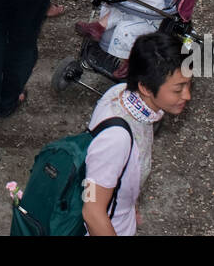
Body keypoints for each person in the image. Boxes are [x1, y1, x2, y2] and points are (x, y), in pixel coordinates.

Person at [82, 32, 192, 236]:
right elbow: (92, 211)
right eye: (178, 89)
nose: (187, 95)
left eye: (188, 84)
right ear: (145, 87)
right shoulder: (117, 139)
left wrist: (130, 208)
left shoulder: (123, 94)